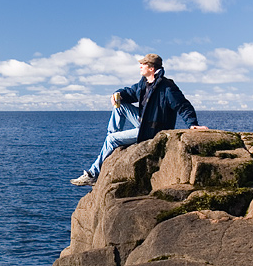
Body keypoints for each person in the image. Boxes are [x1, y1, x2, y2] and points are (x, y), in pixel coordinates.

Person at [71, 53, 208, 186]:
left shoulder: (167, 88)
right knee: (120, 106)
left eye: (143, 64)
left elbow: (183, 105)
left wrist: (192, 124)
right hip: (144, 122)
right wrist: (117, 94)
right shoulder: (144, 83)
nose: (140, 66)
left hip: (153, 130)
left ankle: (93, 175)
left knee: (111, 140)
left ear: (151, 68)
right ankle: (112, 138)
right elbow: (130, 92)